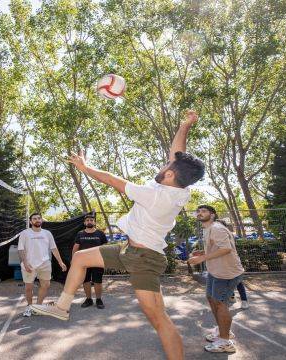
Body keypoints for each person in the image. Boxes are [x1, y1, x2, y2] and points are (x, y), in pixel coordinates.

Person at [31, 110, 205, 360]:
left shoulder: (156, 195)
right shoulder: (178, 188)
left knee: (159, 320)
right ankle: (62, 307)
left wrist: (85, 167)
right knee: (80, 259)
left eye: (165, 165)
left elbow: (112, 180)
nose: (163, 163)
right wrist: (185, 125)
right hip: (129, 250)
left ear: (169, 174)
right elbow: (177, 154)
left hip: (145, 258)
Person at [188, 205, 245, 353]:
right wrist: (202, 252)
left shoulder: (217, 228)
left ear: (212, 215)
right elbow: (218, 247)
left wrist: (202, 258)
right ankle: (222, 331)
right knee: (211, 298)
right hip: (215, 272)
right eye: (198, 211)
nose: (200, 213)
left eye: (204, 211)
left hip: (227, 273)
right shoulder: (208, 228)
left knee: (220, 304)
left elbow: (226, 249)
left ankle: (225, 342)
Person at [18, 213, 67, 317]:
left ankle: (38, 307)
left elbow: (54, 248)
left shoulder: (47, 233)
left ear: (42, 220)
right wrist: (26, 264)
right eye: (34, 219)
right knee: (28, 288)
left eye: (39, 218)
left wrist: (60, 262)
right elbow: (21, 249)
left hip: (45, 264)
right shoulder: (24, 233)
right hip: (29, 264)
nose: (37, 220)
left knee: (45, 285)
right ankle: (29, 306)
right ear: (31, 221)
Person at [72, 214, 107, 309]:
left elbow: (105, 248)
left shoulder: (100, 234)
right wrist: (73, 260)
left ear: (94, 222)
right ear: (84, 223)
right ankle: (89, 299)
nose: (89, 221)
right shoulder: (80, 234)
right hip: (84, 262)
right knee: (86, 281)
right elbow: (75, 248)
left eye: (91, 220)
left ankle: (98, 300)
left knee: (97, 281)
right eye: (87, 220)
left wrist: (106, 260)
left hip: (98, 261)